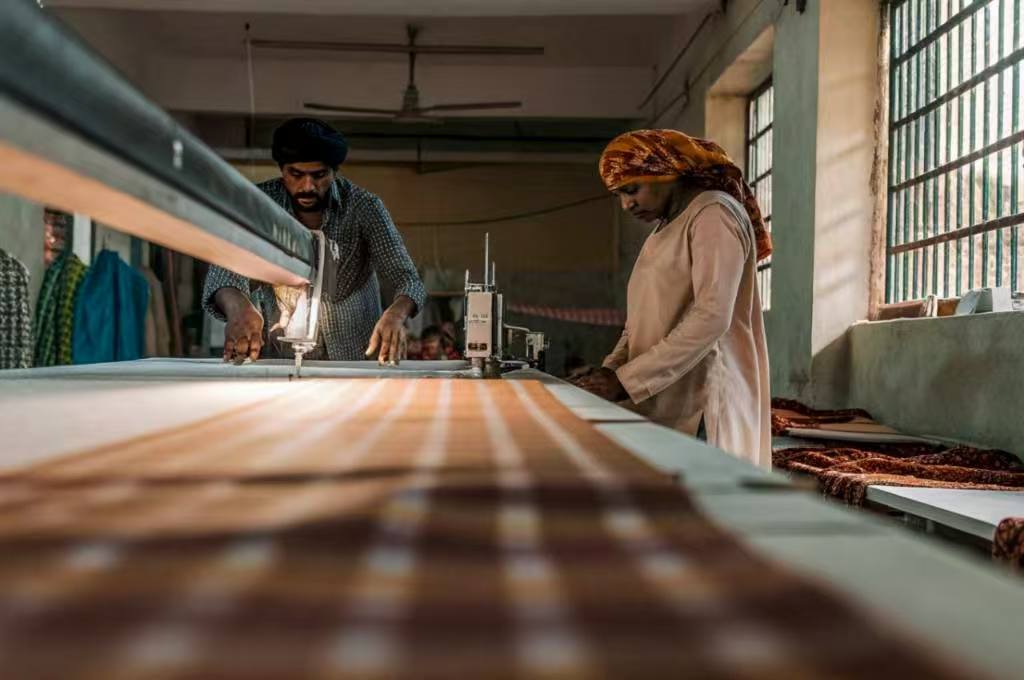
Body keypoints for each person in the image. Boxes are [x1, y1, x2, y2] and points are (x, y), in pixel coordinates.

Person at [575, 129, 772, 466]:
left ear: (664, 172)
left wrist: (623, 381)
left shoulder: (713, 214)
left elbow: (712, 317)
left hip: (704, 405)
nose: (627, 205)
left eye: (632, 190)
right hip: (664, 397)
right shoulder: (663, 230)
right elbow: (636, 325)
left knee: (700, 509)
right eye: (619, 195)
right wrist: (608, 372)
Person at [203, 118, 425, 365]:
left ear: (334, 171)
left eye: (319, 175)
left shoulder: (364, 208)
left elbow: (409, 280)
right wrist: (238, 307)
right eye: (296, 174)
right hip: (281, 358)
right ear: (282, 169)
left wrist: (396, 314)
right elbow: (223, 272)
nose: (307, 186)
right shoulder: (259, 206)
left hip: (354, 357)